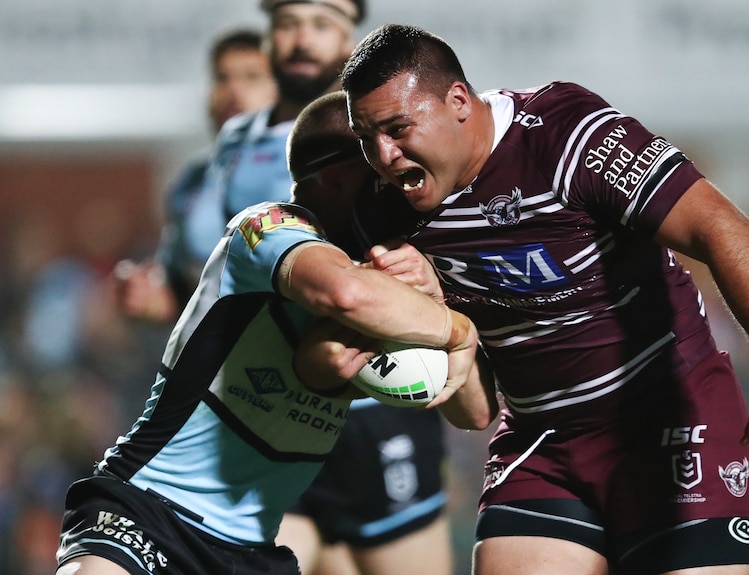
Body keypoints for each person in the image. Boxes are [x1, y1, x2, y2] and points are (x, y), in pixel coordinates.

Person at [339, 23, 749, 575]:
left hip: (666, 415)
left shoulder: (569, 135)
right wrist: (427, 316)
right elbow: (474, 411)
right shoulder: (382, 212)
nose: (384, 155)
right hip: (539, 437)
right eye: (366, 137)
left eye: (398, 128)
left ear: (457, 102)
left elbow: (720, 227)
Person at [54, 184, 497, 574]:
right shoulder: (268, 229)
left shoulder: (398, 270)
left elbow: (476, 411)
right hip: (150, 511)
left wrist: (437, 300)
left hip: (250, 550)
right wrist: (454, 329)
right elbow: (345, 297)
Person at [202, 3, 462, 574]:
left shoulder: (402, 151)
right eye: (289, 23)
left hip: (382, 413)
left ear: (348, 42)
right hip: (272, 406)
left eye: (320, 24)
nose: (301, 39)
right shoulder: (236, 146)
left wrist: (446, 316)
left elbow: (474, 402)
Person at [114, 28, 276, 323]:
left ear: (279, 88)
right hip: (221, 360)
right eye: (222, 78)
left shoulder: (303, 168)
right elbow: (181, 294)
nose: (234, 91)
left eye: (252, 76)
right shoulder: (192, 181)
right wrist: (148, 298)